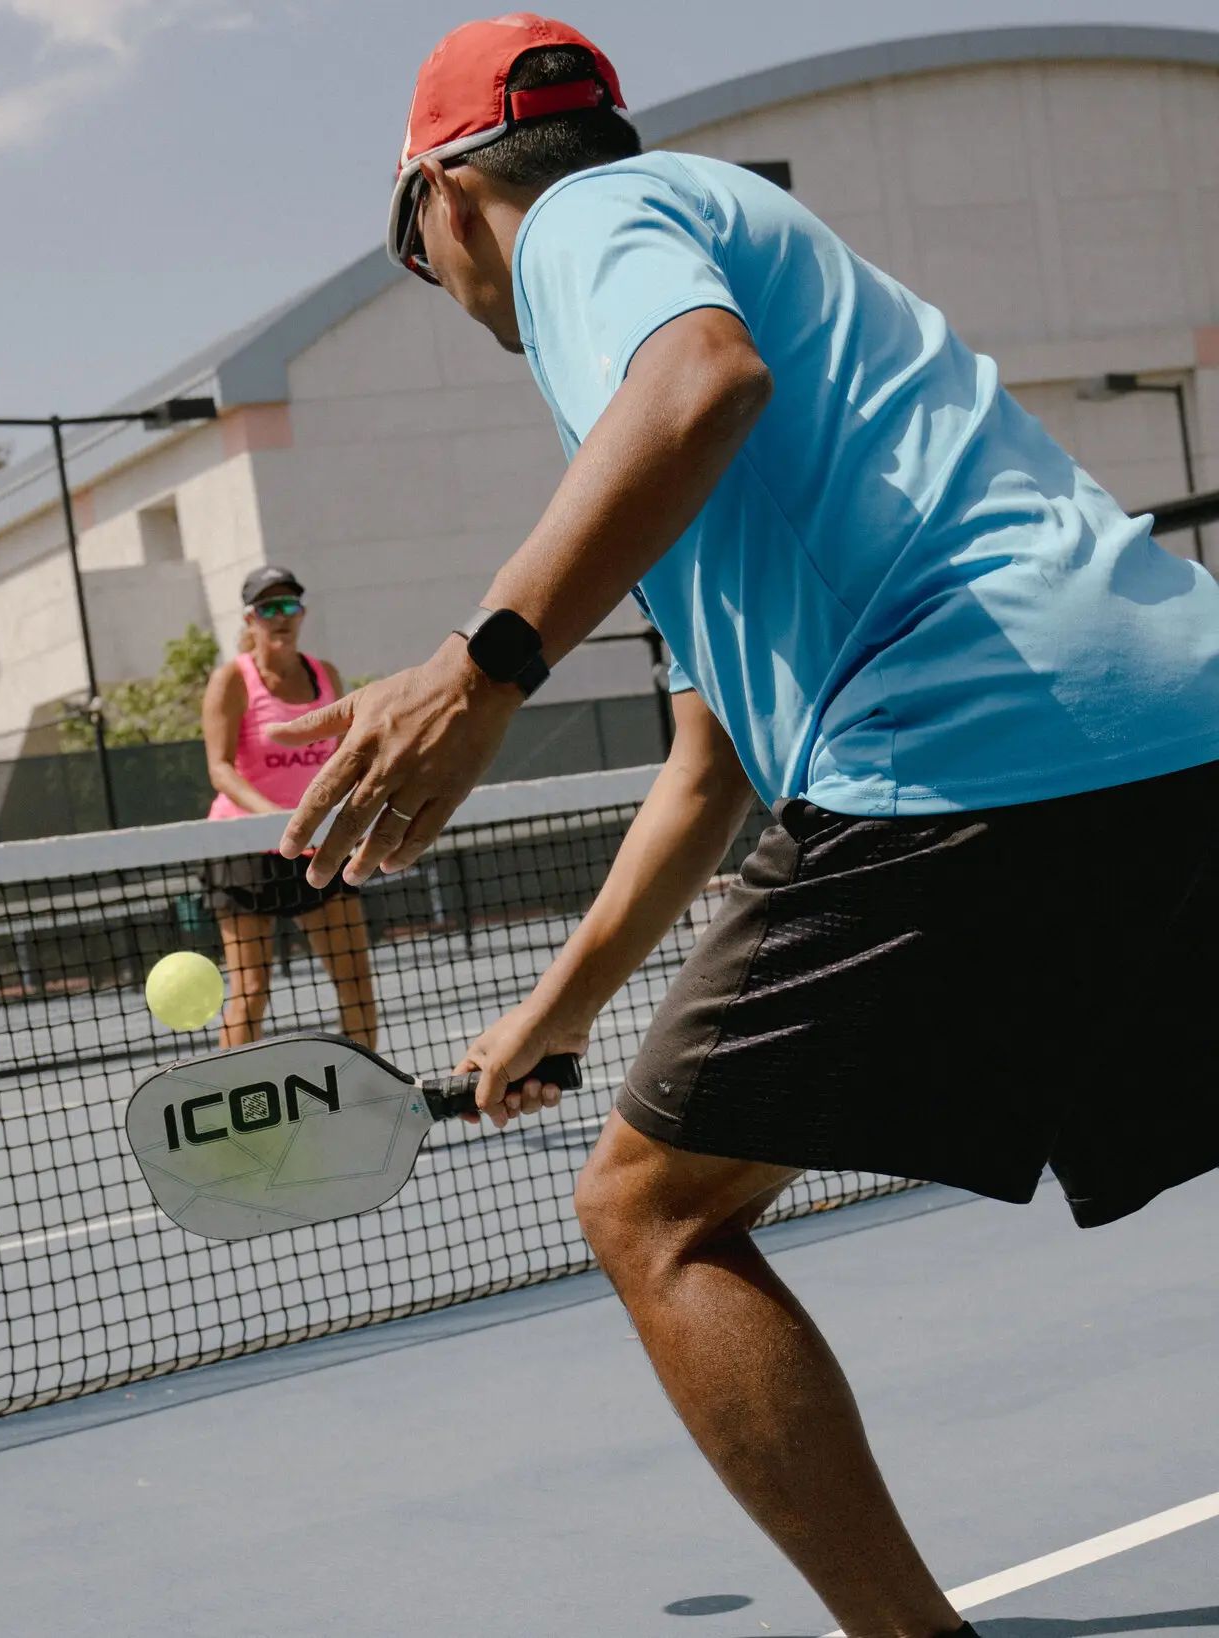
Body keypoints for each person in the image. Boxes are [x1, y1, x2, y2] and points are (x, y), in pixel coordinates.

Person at [267, 16, 1219, 1637]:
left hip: (964, 735)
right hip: (1179, 708)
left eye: (418, 250)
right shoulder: (733, 304)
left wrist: (481, 660)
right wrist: (551, 1016)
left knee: (649, 1212)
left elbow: (701, 379)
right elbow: (710, 765)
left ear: (441, 200)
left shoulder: (586, 229)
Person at [200, 567, 377, 1049]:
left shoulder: (327, 675)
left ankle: (366, 1102)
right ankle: (230, 1111)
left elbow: (348, 757)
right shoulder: (231, 680)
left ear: (302, 613)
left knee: (357, 989)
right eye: (267, 608)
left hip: (317, 847)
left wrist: (350, 816)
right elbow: (220, 769)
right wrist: (279, 822)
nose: (280, 617)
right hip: (245, 850)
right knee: (251, 992)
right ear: (249, 619)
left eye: (288, 606)